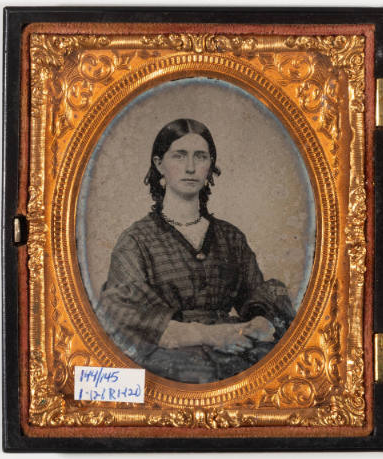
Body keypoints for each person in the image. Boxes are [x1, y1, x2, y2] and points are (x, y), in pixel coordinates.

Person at [95, 119, 295, 383]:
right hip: (169, 357)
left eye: (200, 157)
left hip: (234, 348)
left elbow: (258, 297)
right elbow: (124, 315)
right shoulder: (136, 240)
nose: (190, 167)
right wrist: (208, 335)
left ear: (210, 165)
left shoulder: (230, 237)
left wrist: (257, 326)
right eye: (179, 155)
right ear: (159, 164)